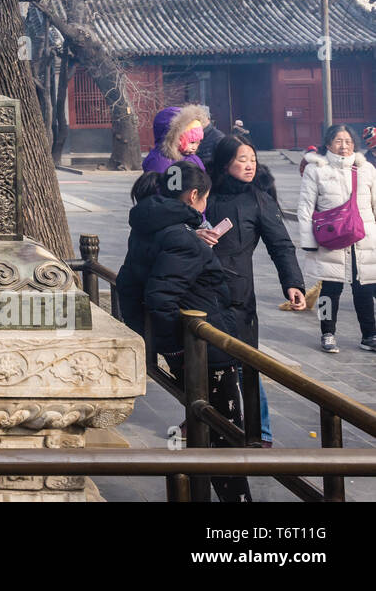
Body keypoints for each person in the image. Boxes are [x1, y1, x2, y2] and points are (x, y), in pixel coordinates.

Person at [117, 160, 250, 502]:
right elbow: (160, 297)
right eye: (204, 198)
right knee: (225, 433)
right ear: (193, 196)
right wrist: (173, 350)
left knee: (201, 422)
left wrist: (142, 338)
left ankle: (193, 492)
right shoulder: (182, 239)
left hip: (184, 344)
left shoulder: (148, 228)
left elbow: (128, 286)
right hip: (203, 349)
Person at [207, 136, 307, 447]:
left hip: (238, 294)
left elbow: (281, 246)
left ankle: (260, 430)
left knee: (245, 361)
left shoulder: (259, 199)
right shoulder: (204, 194)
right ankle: (204, 418)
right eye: (241, 159)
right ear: (225, 163)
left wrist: (292, 283)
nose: (249, 165)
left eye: (252, 158)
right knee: (204, 359)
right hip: (200, 290)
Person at [298, 124, 376, 353]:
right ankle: (327, 332)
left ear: (355, 144)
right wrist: (309, 243)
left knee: (364, 288)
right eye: (338, 141)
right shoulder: (316, 170)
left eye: (348, 141)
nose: (344, 146)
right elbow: (305, 208)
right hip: (331, 240)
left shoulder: (367, 169)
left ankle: (370, 334)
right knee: (329, 290)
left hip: (363, 240)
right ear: (328, 144)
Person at [142, 104, 211, 174]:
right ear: (173, 138)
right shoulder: (158, 162)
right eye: (191, 142)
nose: (195, 148)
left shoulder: (193, 159)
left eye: (198, 142)